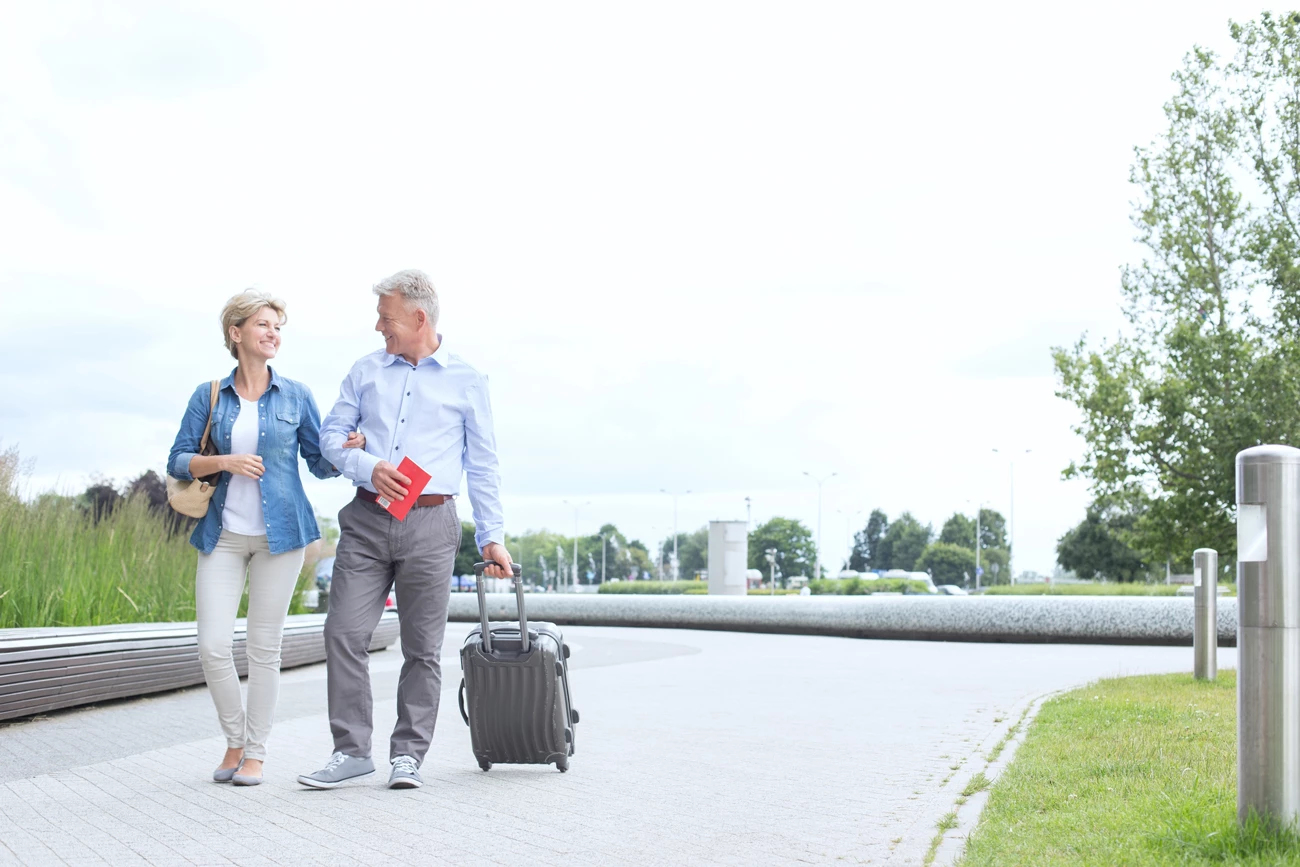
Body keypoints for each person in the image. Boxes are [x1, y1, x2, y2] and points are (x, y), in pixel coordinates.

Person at [299, 269, 514, 791]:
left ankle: (408, 755)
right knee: (343, 632)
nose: (378, 327)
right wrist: (367, 466)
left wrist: (492, 535)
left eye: (386, 317)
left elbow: (482, 463)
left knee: (421, 647)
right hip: (368, 518)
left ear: (420, 318)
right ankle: (351, 750)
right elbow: (330, 438)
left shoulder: (467, 380)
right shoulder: (365, 371)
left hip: (432, 522)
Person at [167, 290, 363, 786]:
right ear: (236, 334)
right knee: (212, 646)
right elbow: (178, 459)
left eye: (278, 326)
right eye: (263, 324)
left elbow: (319, 464)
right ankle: (234, 740)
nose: (273, 333)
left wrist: (348, 447)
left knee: (263, 649)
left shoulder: (295, 395)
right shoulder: (208, 394)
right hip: (224, 535)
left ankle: (254, 752)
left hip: (284, 536)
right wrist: (224, 462)